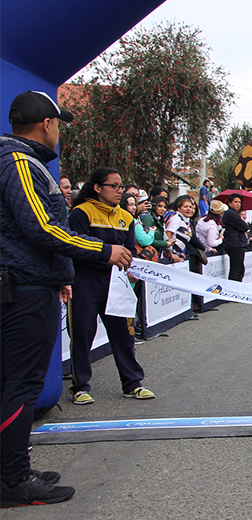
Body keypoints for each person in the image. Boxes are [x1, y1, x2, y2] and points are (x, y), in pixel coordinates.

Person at [1, 91, 133, 508]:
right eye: (59, 124)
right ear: (47, 124)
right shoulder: (21, 163)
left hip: (27, 283)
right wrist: (101, 250)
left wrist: (56, 272)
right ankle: (13, 480)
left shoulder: (19, 161)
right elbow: (41, 228)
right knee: (20, 384)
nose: (59, 133)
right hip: (22, 293)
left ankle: (11, 467)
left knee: (12, 381)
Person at [68, 168, 154, 407]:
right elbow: (76, 247)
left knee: (124, 335)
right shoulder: (80, 212)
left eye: (121, 186)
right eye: (114, 186)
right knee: (83, 335)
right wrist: (106, 255)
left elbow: (130, 251)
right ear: (97, 187)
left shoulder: (126, 217)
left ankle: (133, 384)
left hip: (116, 283)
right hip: (85, 281)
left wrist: (132, 267)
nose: (120, 191)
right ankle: (80, 386)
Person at [222, 193, 249, 281]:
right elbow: (245, 227)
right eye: (236, 202)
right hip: (234, 244)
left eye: (239, 202)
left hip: (238, 243)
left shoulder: (235, 214)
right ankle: (233, 289)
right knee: (236, 270)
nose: (238, 204)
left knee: (240, 269)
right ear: (229, 203)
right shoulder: (230, 214)